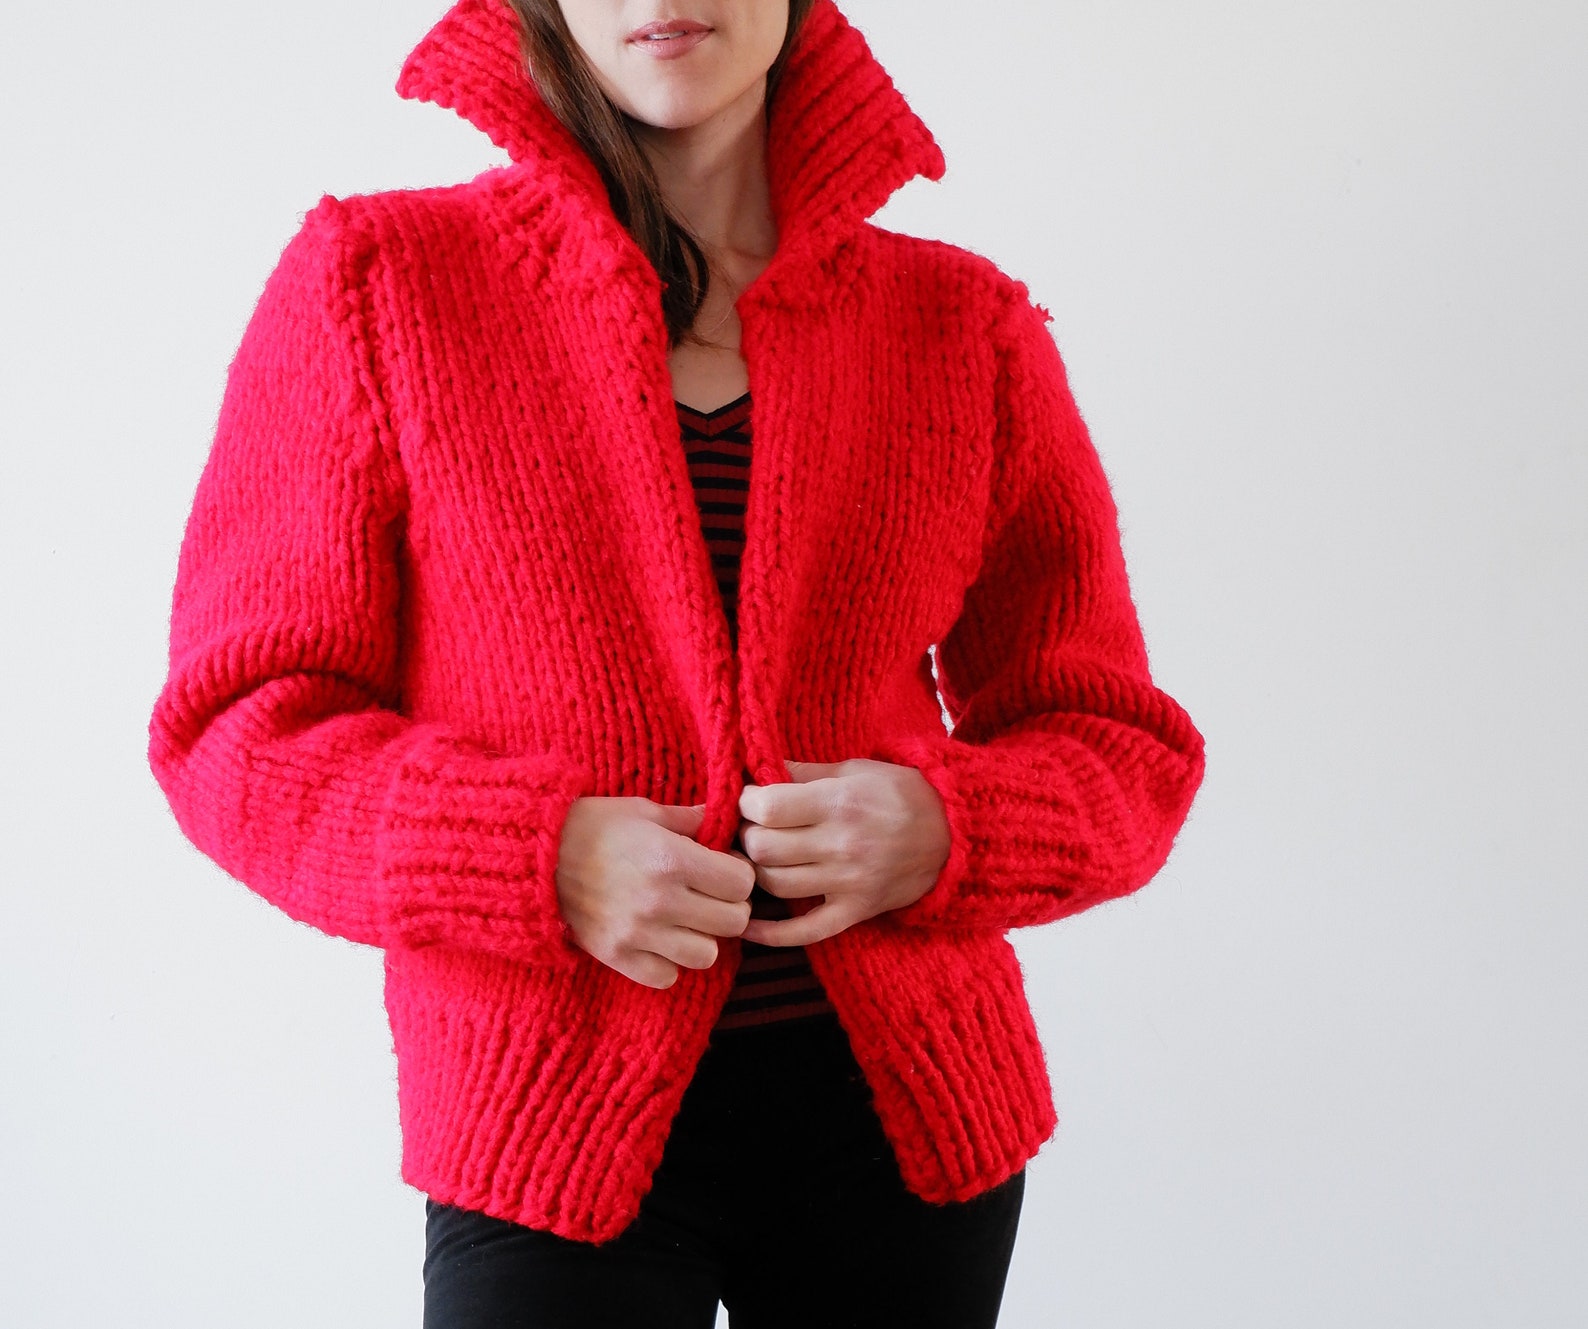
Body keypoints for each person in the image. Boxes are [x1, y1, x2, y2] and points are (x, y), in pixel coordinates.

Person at [146, 0, 1207, 1324]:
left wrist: (951, 829)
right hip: (542, 1126)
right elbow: (239, 730)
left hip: (903, 1136)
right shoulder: (379, 282)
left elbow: (1114, 739)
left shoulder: (962, 326)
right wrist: (538, 856)